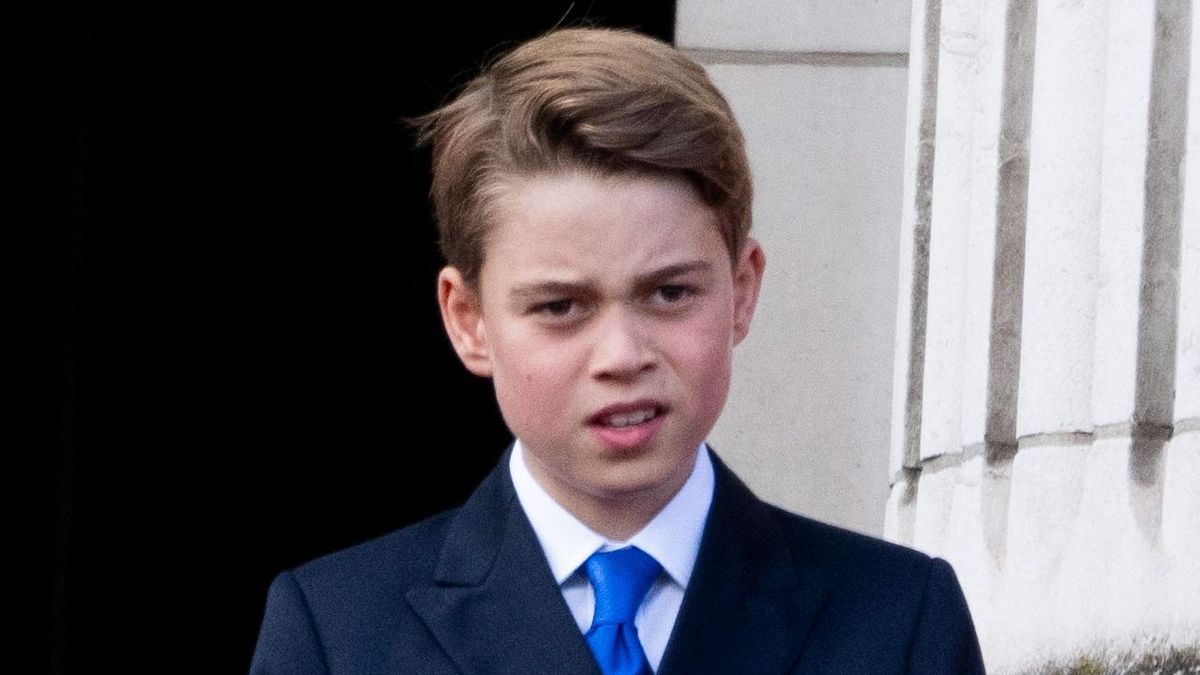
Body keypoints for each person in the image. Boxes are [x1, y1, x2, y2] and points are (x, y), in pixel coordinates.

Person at [249, 27, 985, 674]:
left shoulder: (898, 621)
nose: (622, 354)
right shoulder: (337, 633)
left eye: (669, 293)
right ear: (468, 319)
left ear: (743, 289)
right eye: (561, 306)